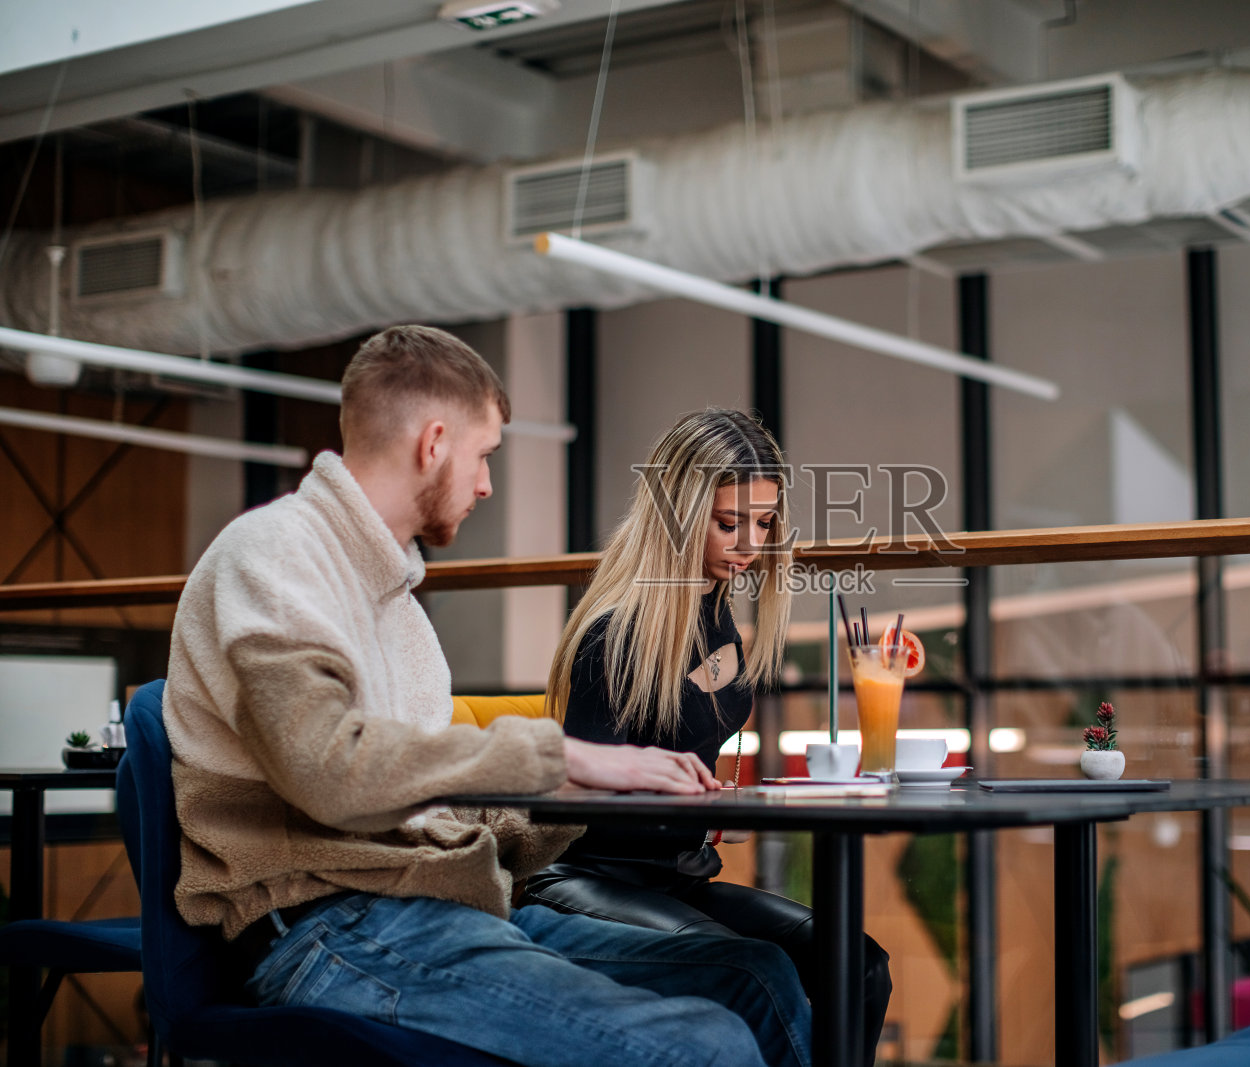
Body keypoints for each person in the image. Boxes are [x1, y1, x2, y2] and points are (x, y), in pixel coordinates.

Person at [163, 326, 811, 1067]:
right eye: (485, 456)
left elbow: (434, 800)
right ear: (434, 442)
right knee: (709, 1044)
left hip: (439, 904)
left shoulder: (395, 602)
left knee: (756, 979)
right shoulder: (275, 555)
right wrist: (564, 755)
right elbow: (330, 768)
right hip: (329, 928)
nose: (486, 485)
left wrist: (588, 796)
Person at [526, 408, 892, 1064]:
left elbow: (689, 734)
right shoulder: (614, 635)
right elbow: (570, 785)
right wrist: (674, 794)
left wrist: (711, 806)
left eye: (763, 522)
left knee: (859, 964)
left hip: (680, 877)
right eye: (730, 523)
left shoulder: (717, 622)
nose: (750, 543)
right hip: (586, 877)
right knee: (756, 970)